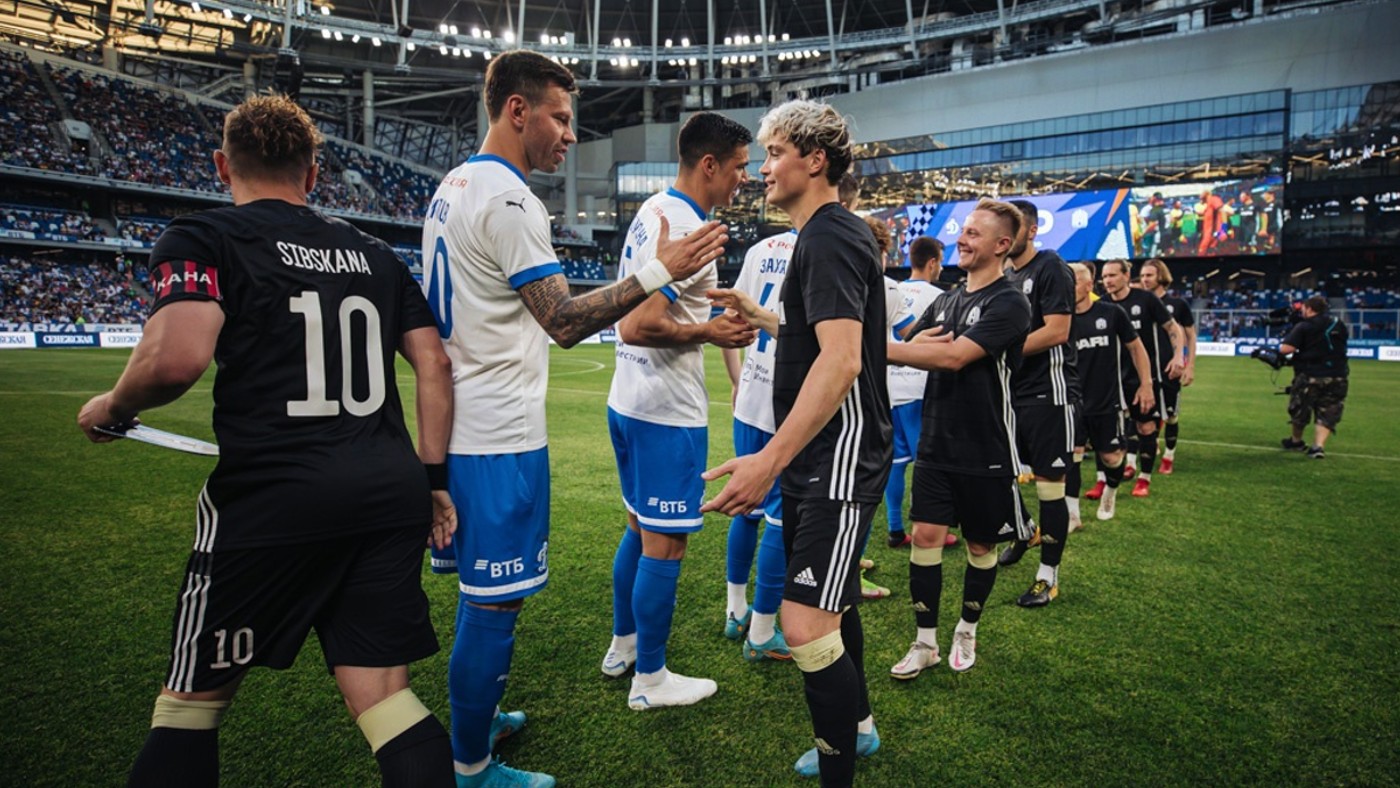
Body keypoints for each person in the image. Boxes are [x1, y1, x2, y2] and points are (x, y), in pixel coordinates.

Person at [78, 94, 458, 787]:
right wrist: (434, 481)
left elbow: (175, 361)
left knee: (190, 708)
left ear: (223, 166)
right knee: (386, 702)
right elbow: (433, 364)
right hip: (387, 492)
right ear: (313, 173)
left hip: (275, 496)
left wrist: (112, 406)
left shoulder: (202, 236)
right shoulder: (376, 254)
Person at [421, 51, 728, 788]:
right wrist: (659, 270)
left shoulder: (453, 185)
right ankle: (471, 766)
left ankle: (478, 723)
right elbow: (561, 320)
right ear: (517, 110)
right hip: (498, 435)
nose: (569, 134)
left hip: (464, 423)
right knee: (494, 606)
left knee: (485, 599)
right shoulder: (510, 199)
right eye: (560, 118)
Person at [703, 99, 891, 786]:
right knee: (831, 607)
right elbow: (824, 338)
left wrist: (768, 459)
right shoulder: (823, 236)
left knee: (805, 624)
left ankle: (843, 764)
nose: (763, 168)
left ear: (815, 161)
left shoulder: (831, 236)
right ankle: (859, 728)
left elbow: (841, 362)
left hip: (839, 457)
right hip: (823, 455)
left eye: (775, 152)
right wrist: (762, 316)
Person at [601, 112, 759, 704]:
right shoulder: (690, 228)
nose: (745, 178)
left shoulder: (654, 210)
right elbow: (638, 325)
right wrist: (709, 332)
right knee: (664, 545)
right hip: (665, 410)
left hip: (628, 400)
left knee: (638, 529)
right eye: (740, 167)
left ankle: (624, 647)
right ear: (710, 165)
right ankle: (651, 680)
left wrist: (707, 320)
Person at [884, 198, 1031, 679]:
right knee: (924, 539)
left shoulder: (1009, 302)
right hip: (936, 443)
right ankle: (925, 641)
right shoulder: (947, 299)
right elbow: (911, 344)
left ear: (1002, 245)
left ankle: (967, 629)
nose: (961, 240)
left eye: (972, 233)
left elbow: (950, 357)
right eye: (962, 231)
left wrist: (873, 349)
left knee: (980, 548)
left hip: (986, 448)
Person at [995, 199, 1079, 608]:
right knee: (998, 473)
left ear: (1031, 231)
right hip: (1010, 390)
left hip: (1049, 391)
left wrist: (1000, 349)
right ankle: (1024, 529)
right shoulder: (1007, 275)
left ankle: (1048, 576)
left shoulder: (1051, 267)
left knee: (1049, 487)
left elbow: (1058, 331)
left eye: (1013, 230)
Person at [720, 224, 797, 658]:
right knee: (781, 517)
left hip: (751, 397)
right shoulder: (827, 245)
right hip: (792, 406)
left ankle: (735, 612)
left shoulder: (761, 249)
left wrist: (737, 381)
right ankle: (763, 632)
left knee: (745, 509)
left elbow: (730, 320)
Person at [1066, 262, 1155, 522]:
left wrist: (1146, 384)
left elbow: (1136, 348)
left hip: (1108, 401)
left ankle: (1111, 490)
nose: (1068, 288)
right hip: (1071, 401)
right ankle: (1072, 515)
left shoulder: (1111, 313)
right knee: (1072, 457)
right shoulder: (1059, 320)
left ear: (1088, 285)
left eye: (1074, 282)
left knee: (1112, 458)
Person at [1100, 258, 1184, 498]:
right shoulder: (1102, 304)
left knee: (1145, 426)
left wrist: (1179, 356)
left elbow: (1173, 328)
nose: (1107, 281)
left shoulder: (1146, 300)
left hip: (1144, 377)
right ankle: (1111, 476)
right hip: (1114, 378)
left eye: (1112, 275)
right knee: (1113, 429)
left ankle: (1144, 478)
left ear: (1127, 276)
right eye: (1104, 277)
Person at [884, 236, 945, 550]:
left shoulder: (891, 289)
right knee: (927, 463)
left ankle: (895, 528)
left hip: (889, 387)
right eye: (941, 262)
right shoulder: (940, 297)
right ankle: (927, 529)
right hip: (920, 388)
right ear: (933, 263)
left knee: (895, 461)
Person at [1139, 259, 1196, 474]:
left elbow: (1190, 336)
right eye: (1142, 276)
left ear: (1161, 276)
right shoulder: (1140, 303)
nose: (1144, 280)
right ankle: (1149, 449)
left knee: (1171, 415)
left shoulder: (1177, 305)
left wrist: (1189, 365)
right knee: (1146, 413)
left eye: (1149, 275)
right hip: (1146, 369)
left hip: (1170, 369)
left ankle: (1169, 456)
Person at [1280, 295, 1349, 459]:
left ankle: (1296, 441)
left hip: (1311, 374)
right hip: (1338, 374)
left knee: (1300, 408)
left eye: (1303, 308)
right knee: (1329, 410)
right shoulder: (1338, 323)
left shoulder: (1305, 326)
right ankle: (1318, 446)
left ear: (1310, 309)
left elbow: (1286, 349)